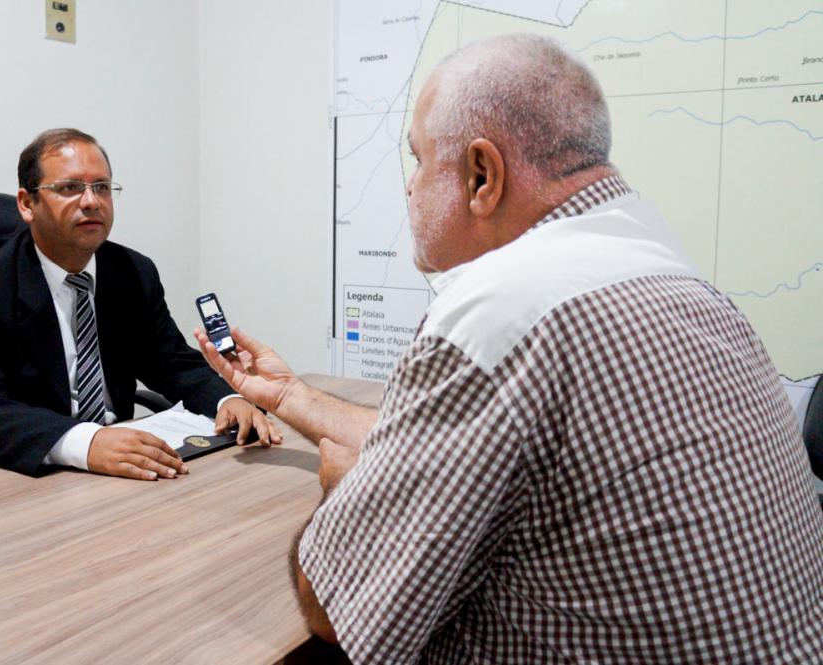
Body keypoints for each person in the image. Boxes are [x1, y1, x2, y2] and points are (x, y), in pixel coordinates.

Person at [195, 34, 823, 663]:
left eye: (419, 160)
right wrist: (289, 395)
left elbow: (336, 609)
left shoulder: (503, 311)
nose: (409, 188)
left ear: (482, 175)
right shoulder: (677, 284)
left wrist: (345, 493)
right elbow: (438, 443)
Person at [0, 128, 280, 480]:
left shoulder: (132, 272)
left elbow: (171, 362)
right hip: (28, 473)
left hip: (123, 472)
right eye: (70, 188)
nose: (91, 202)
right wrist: (84, 442)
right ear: (26, 203)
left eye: (101, 187)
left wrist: (227, 400)